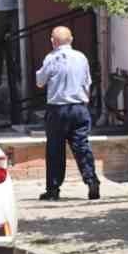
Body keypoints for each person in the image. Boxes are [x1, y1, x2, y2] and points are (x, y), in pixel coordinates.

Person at [36, 26, 99, 201]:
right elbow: (87, 83)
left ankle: (53, 189)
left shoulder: (51, 58)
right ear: (71, 40)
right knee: (82, 147)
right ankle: (91, 181)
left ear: (52, 41)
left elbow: (40, 82)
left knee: (55, 149)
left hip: (57, 109)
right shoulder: (81, 57)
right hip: (79, 108)